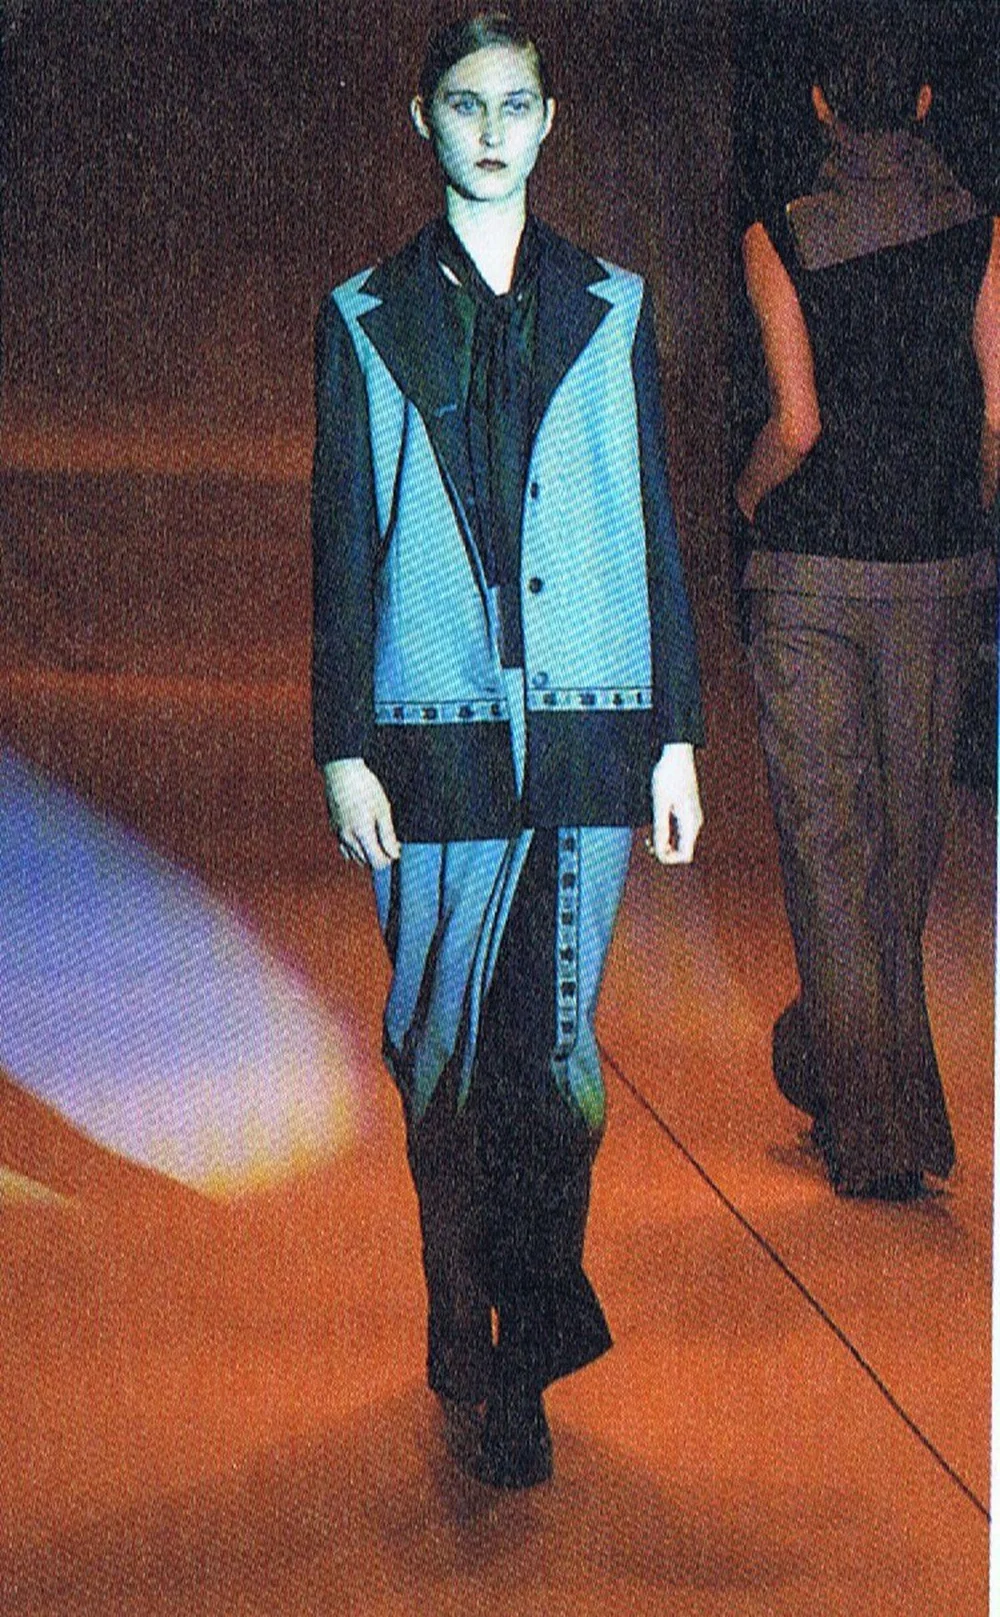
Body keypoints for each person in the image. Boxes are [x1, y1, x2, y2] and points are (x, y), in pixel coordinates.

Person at [311, 13, 704, 1487]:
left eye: (516, 104)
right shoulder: (364, 315)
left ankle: (521, 1366)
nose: (491, 129)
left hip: (591, 737)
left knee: (550, 1066)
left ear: (550, 119)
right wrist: (341, 746)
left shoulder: (613, 303)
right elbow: (341, 540)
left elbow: (652, 522)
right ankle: (455, 1315)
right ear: (423, 119)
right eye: (465, 104)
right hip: (434, 741)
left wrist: (677, 736)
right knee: (442, 1058)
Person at [735, 9, 998, 1201]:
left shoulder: (779, 236)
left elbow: (795, 425)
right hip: (935, 576)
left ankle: (873, 1128)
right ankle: (897, 1110)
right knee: (902, 854)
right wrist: (963, 508)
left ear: (821, 106)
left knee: (830, 852)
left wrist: (744, 498)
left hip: (809, 581)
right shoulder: (982, 233)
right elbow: (996, 415)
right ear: (928, 104)